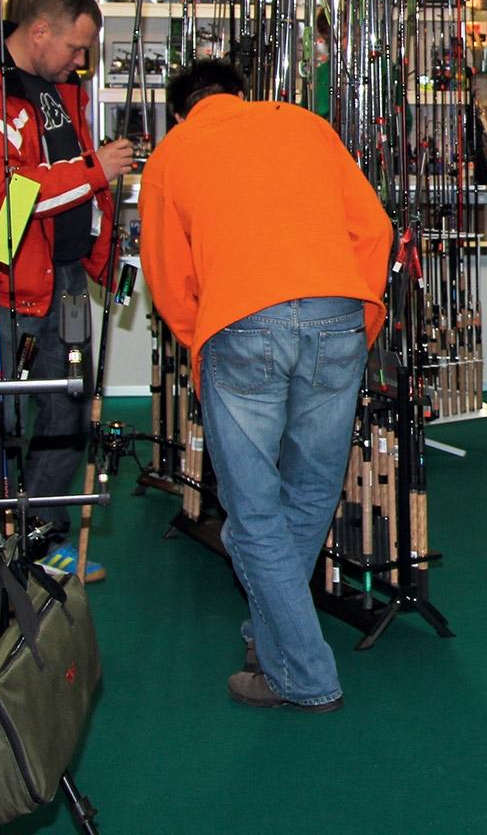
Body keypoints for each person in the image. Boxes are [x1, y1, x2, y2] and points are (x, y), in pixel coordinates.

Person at [140, 59, 392, 713]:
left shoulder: (171, 154)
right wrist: (353, 319)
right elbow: (374, 231)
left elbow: (168, 279)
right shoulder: (305, 125)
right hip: (337, 311)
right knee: (309, 492)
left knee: (252, 515)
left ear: (179, 113)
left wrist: (202, 342)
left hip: (242, 322)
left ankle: (305, 676)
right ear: (241, 95)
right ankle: (271, 636)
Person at [0, 0, 133, 583]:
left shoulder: (62, 86)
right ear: (39, 32)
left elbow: (68, 173)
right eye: (76, 48)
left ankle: (43, 533)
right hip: (4, 285)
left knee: (70, 404)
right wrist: (95, 169)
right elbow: (6, 197)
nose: (81, 61)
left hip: (68, 278)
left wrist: (104, 245)